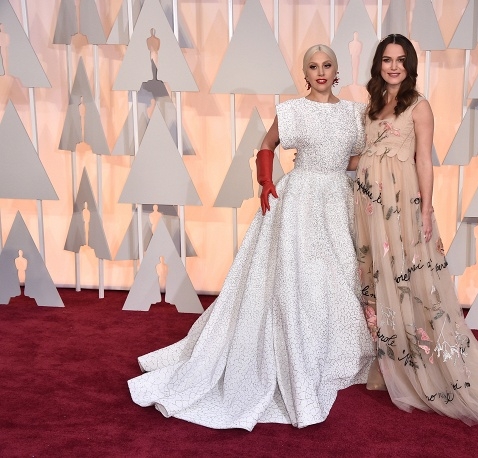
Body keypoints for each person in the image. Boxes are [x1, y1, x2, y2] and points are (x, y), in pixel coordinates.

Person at [128, 44, 374, 431]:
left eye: (327, 65)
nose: (321, 72)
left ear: (336, 69)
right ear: (305, 73)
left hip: (339, 198)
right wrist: (265, 181)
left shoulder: (354, 113)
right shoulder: (293, 110)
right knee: (301, 278)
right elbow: (266, 144)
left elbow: (354, 157)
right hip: (300, 200)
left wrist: (360, 165)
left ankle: (333, 352)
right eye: (313, 66)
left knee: (341, 274)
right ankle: (296, 350)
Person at [351, 34, 478, 425]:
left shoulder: (418, 105)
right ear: (378, 64)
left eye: (401, 60)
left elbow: (424, 161)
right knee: (377, 278)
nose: (393, 66)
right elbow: (369, 154)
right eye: (387, 60)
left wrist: (426, 210)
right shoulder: (372, 105)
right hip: (369, 205)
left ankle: (424, 368)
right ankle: (389, 364)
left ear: (410, 66)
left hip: (401, 203)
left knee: (409, 278)